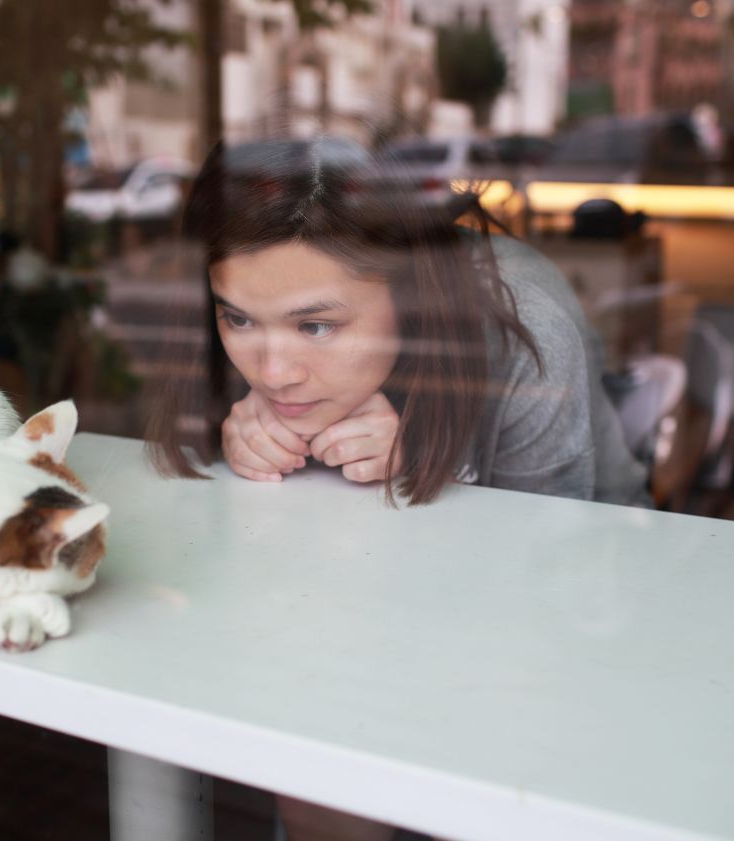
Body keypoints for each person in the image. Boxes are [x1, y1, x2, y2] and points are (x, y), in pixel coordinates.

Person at [144, 135, 647, 841]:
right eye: (237, 318)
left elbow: (555, 592)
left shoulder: (528, 331)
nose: (274, 370)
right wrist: (247, 446)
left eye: (317, 325)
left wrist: (445, 466)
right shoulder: (272, 341)